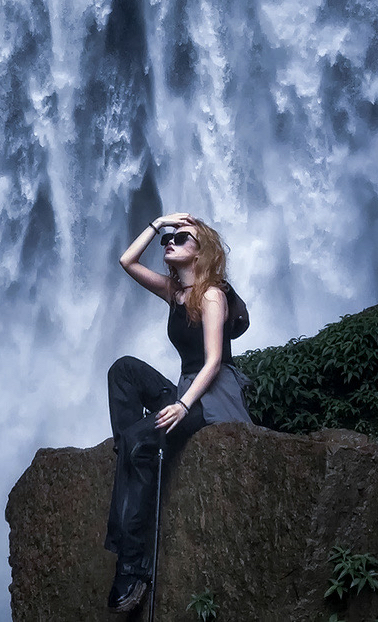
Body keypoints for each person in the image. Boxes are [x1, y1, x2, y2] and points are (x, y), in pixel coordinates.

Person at [105, 212, 253, 613]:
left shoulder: (212, 295)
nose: (170, 242)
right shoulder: (175, 291)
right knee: (123, 370)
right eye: (167, 239)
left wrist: (183, 405)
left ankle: (133, 568)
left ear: (201, 252)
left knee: (142, 438)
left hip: (208, 397)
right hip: (184, 392)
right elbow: (127, 262)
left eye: (182, 238)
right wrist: (160, 222)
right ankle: (131, 451)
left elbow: (214, 361)